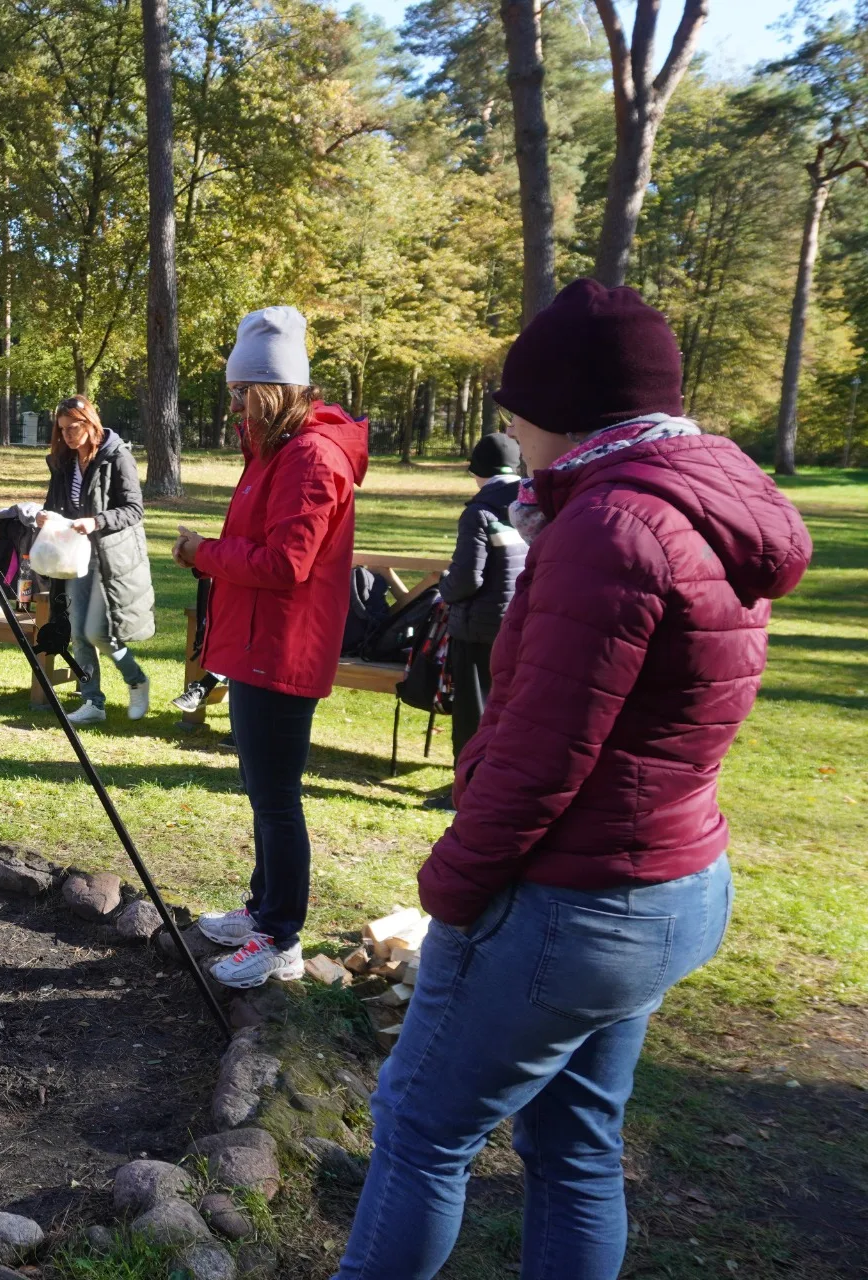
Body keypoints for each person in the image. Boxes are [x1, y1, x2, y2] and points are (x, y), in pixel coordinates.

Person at [335, 281, 811, 1280]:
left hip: (577, 903)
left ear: (566, 409)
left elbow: (537, 754)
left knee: (421, 1123)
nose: (509, 428)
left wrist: (451, 891)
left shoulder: (612, 528)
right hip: (669, 881)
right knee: (575, 1143)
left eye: (516, 407)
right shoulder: (701, 503)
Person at [171, 306, 368, 986]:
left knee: (277, 796)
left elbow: (287, 562)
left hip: (282, 650)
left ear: (267, 390)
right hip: (257, 644)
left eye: (240, 395)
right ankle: (263, 910)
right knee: (262, 789)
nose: (234, 407)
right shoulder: (274, 450)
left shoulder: (311, 457)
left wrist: (204, 553)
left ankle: (281, 935)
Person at [44, 395, 155, 726]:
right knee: (79, 631)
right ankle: (93, 701)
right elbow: (57, 502)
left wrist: (96, 521)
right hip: (74, 556)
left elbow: (134, 510)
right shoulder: (64, 461)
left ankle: (136, 680)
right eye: (61, 429)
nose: (66, 435)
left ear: (88, 422)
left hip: (110, 557)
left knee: (98, 632)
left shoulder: (117, 456)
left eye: (72, 428)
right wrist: (46, 516)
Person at [436, 433, 526, 760]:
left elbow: (466, 579)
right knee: (507, 709)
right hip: (519, 622)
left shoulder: (479, 512)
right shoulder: (532, 504)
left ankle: (466, 783)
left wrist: (442, 593)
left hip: (478, 628)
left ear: (478, 471)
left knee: (473, 711)